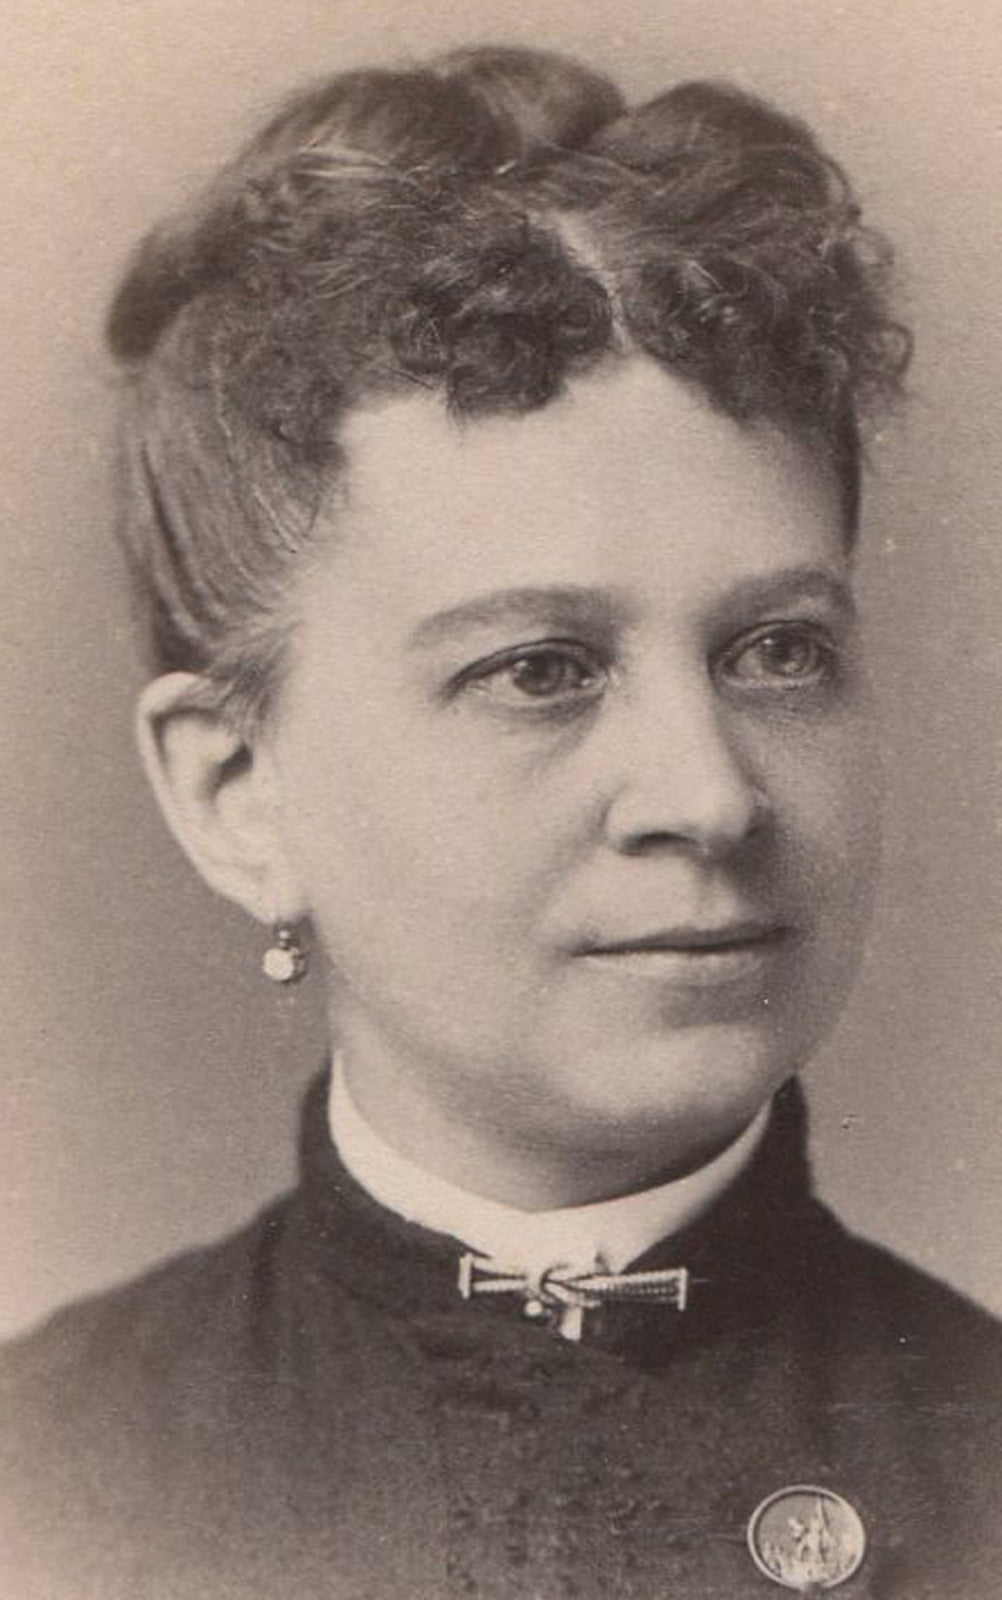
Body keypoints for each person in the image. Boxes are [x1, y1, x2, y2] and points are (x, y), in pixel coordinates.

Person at [1, 42, 999, 1600]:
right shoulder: (46, 1478)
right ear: (236, 792)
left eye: (776, 650)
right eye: (539, 669)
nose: (707, 795)